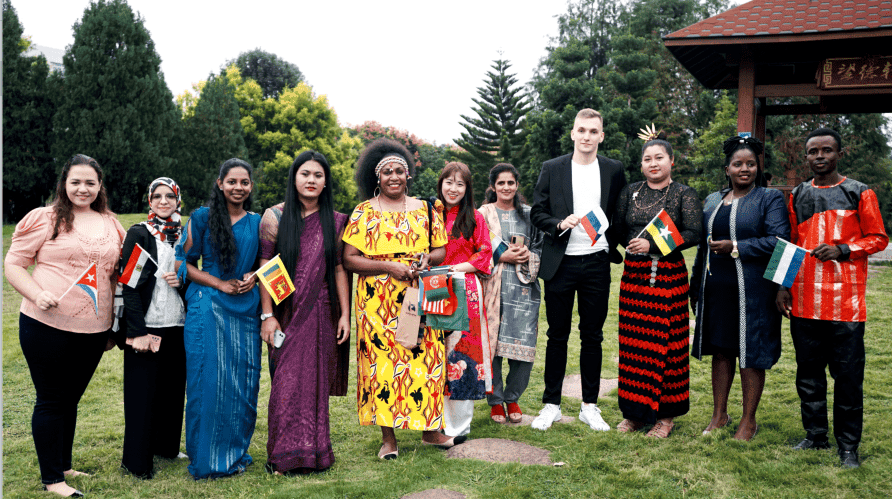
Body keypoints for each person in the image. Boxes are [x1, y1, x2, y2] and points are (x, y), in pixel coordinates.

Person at [5, 155, 124, 498]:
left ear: (100, 186)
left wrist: (113, 327)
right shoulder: (45, 218)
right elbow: (13, 264)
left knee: (70, 399)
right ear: (64, 184)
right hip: (45, 326)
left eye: (90, 182)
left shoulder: (110, 224)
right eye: (76, 182)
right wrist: (37, 292)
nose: (82, 189)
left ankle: (64, 463)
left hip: (94, 331)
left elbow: (116, 277)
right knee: (52, 399)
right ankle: (53, 479)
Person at [776, 128, 888, 468]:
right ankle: (815, 435)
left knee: (848, 378)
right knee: (808, 374)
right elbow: (791, 242)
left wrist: (843, 249)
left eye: (826, 150)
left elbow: (879, 238)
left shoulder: (859, 192)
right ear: (806, 156)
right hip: (805, 300)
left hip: (846, 304)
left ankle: (848, 446)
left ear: (839, 154)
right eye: (813, 151)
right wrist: (781, 285)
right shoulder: (797, 194)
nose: (820, 156)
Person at [342, 138, 456, 460]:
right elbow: (349, 259)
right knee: (382, 366)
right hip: (376, 303)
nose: (393, 176)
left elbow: (440, 249)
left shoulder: (426, 209)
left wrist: (425, 261)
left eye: (399, 171)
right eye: (386, 172)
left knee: (427, 359)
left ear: (408, 176)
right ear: (376, 178)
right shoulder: (363, 212)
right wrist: (386, 266)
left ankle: (431, 431)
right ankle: (388, 439)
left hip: (418, 294)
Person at [529, 108, 627, 431]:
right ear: (573, 134)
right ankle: (551, 405)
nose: (586, 136)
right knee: (556, 335)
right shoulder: (553, 168)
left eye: (593, 131)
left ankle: (589, 406)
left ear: (601, 136)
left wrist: (613, 238)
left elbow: (621, 211)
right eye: (581, 130)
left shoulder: (613, 170)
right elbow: (537, 212)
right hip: (561, 263)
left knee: (593, 336)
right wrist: (559, 223)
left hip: (597, 262)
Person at [690, 136, 789, 441]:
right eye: (738, 164)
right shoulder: (711, 200)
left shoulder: (769, 199)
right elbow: (703, 249)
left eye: (750, 164)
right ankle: (719, 415)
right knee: (721, 351)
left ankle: (748, 420)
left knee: (751, 353)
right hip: (717, 289)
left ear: (758, 167)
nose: (744, 169)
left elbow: (780, 242)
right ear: (727, 168)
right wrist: (696, 287)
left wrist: (736, 246)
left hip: (754, 290)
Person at [259, 151, 351, 475]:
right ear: (294, 178)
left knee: (315, 385)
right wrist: (267, 315)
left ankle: (314, 456)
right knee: (285, 385)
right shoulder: (275, 216)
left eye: (318, 175)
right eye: (305, 174)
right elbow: (266, 267)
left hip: (323, 311)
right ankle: (282, 458)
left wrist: (345, 315)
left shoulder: (338, 220)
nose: (311, 180)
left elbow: (339, 268)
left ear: (326, 182)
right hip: (286, 312)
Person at [175, 159, 261, 479]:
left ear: (251, 186)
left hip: (246, 308)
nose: (238, 187)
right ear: (220, 183)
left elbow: (270, 260)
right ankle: (208, 458)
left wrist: (253, 275)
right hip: (208, 305)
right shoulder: (202, 217)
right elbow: (183, 262)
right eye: (232, 182)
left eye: (244, 182)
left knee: (242, 386)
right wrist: (220, 283)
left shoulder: (258, 221)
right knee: (209, 382)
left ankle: (235, 451)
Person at [613, 131, 700, 437]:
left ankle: (665, 417)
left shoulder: (683, 194)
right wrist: (632, 244)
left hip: (668, 278)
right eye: (647, 159)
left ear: (671, 161)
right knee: (635, 346)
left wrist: (653, 245)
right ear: (641, 164)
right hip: (634, 280)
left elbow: (693, 233)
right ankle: (635, 414)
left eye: (659, 157)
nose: (653, 163)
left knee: (667, 346)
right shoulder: (631, 192)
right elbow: (621, 227)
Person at [117, 178, 187, 479]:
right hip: (147, 324)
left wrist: (181, 281)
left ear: (178, 200)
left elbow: (197, 275)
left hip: (180, 324)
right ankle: (136, 462)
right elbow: (129, 286)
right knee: (141, 395)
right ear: (149, 201)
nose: (163, 201)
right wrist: (137, 330)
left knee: (173, 391)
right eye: (157, 196)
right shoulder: (140, 234)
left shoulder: (186, 234)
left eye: (169, 196)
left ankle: (167, 448)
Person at [479, 163, 542, 425]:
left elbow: (541, 244)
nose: (506, 187)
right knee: (491, 343)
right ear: (493, 186)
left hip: (524, 288)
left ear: (517, 186)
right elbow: (477, 247)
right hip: (492, 287)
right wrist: (501, 255)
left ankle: (513, 397)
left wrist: (530, 255)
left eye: (511, 183)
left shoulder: (529, 214)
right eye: (501, 183)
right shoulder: (482, 214)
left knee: (522, 345)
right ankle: (495, 401)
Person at [437, 162, 494, 438]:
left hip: (465, 289)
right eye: (449, 182)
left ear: (467, 189)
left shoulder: (475, 218)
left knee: (462, 355)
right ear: (441, 183)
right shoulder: (430, 215)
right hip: (435, 287)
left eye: (460, 184)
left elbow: (484, 253)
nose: (454, 188)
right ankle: (436, 423)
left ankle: (459, 426)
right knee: (437, 352)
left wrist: (456, 269)